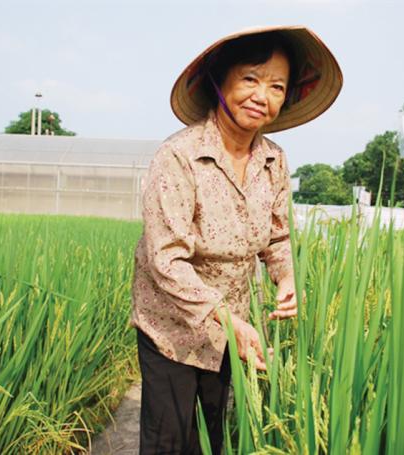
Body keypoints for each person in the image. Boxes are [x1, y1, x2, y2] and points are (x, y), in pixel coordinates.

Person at [130, 25, 343, 454]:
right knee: (169, 441)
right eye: (250, 78)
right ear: (218, 80)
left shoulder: (273, 160)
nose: (261, 95)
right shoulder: (179, 156)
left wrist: (286, 277)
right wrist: (223, 316)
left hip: (232, 332)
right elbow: (166, 258)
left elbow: (278, 236)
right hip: (171, 326)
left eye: (276, 85)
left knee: (211, 437)